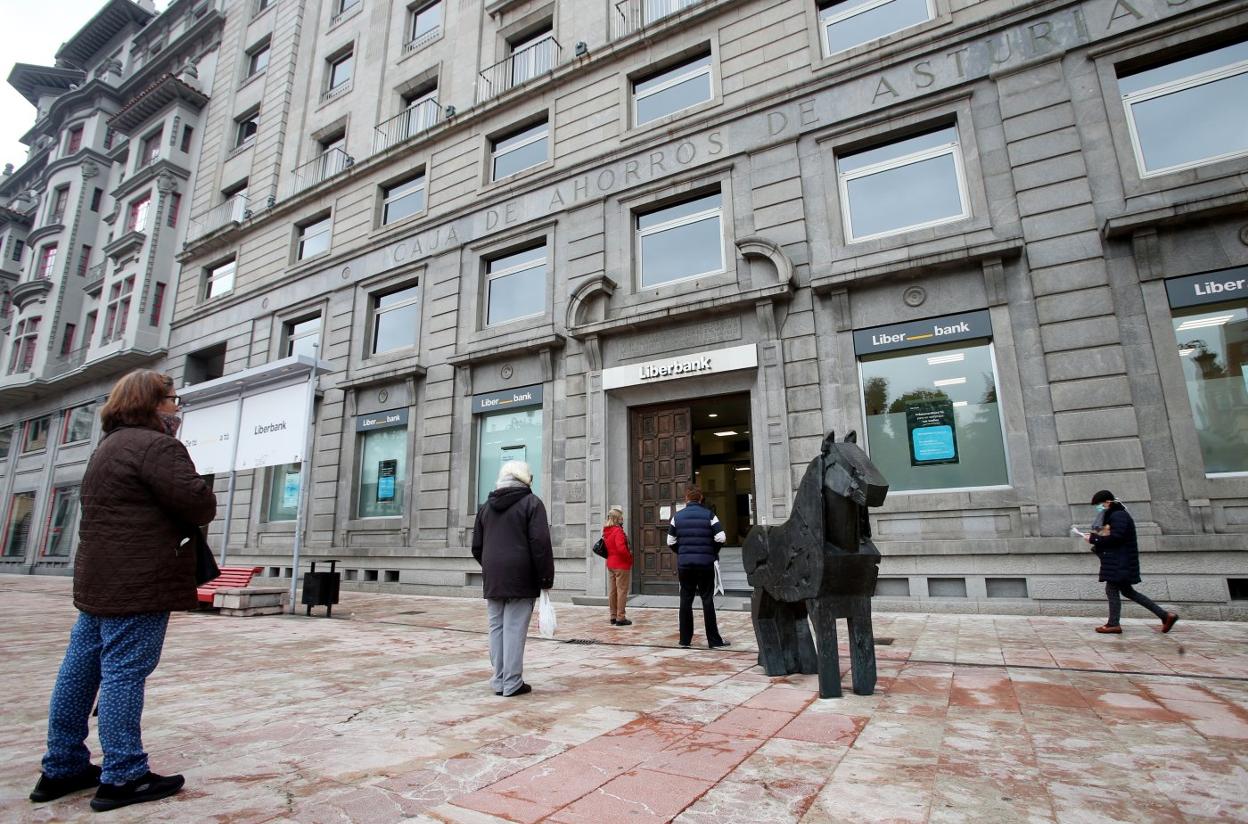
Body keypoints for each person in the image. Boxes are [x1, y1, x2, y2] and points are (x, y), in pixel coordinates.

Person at [30, 370, 217, 812]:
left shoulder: (108, 447)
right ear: (152, 404)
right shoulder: (157, 446)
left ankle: (62, 764)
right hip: (140, 582)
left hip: (98, 580)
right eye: (173, 400)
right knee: (124, 672)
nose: (177, 409)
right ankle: (124, 774)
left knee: (80, 670)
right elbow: (198, 503)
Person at [471, 460, 554, 697]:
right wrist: (545, 578)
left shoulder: (486, 507)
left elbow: (477, 547)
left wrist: (492, 565)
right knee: (514, 628)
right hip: (521, 577)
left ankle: (498, 680)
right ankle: (513, 682)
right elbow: (540, 544)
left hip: (493, 577)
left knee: (496, 627)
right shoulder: (532, 503)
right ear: (524, 478)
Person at [1086, 489, 1178, 635]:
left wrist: (1094, 539)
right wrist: (1096, 536)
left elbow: (1117, 537)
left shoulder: (1118, 515)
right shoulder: (1115, 515)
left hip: (1120, 561)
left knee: (1112, 590)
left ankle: (1113, 624)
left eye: (1100, 504)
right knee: (1128, 592)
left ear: (1108, 502)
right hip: (1120, 560)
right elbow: (1112, 535)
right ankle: (1165, 616)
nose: (1099, 508)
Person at [667, 485, 730, 649]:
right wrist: (712, 551)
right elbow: (721, 537)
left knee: (685, 601)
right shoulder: (709, 515)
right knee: (707, 600)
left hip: (685, 565)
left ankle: (685, 640)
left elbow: (670, 542)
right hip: (705, 564)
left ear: (686, 499)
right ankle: (714, 640)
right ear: (701, 498)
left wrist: (681, 552)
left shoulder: (677, 517)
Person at [603, 505, 633, 626]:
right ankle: (621, 617)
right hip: (621, 564)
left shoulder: (606, 531)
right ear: (617, 518)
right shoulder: (618, 531)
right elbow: (621, 549)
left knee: (612, 591)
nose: (622, 519)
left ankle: (613, 616)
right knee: (622, 591)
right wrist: (629, 558)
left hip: (610, 563)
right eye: (621, 518)